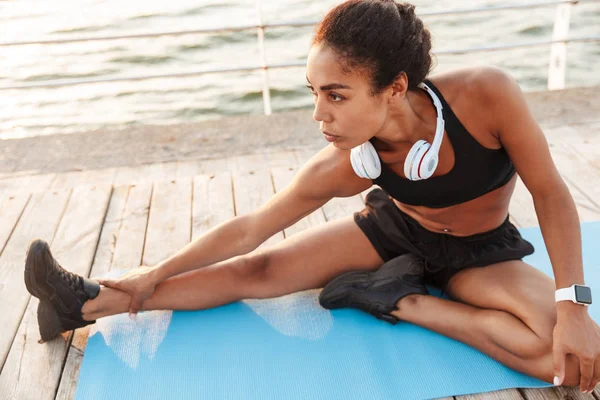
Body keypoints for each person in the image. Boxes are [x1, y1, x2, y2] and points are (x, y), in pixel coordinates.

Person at [24, 0, 599, 394]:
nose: (320, 114)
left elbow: (550, 192)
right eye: (314, 93)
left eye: (337, 95)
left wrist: (574, 306)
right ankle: (84, 301)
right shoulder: (351, 158)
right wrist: (159, 270)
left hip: (479, 252)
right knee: (260, 269)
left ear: (395, 86)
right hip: (397, 232)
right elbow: (253, 229)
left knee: (567, 362)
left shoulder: (487, 96)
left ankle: (400, 301)